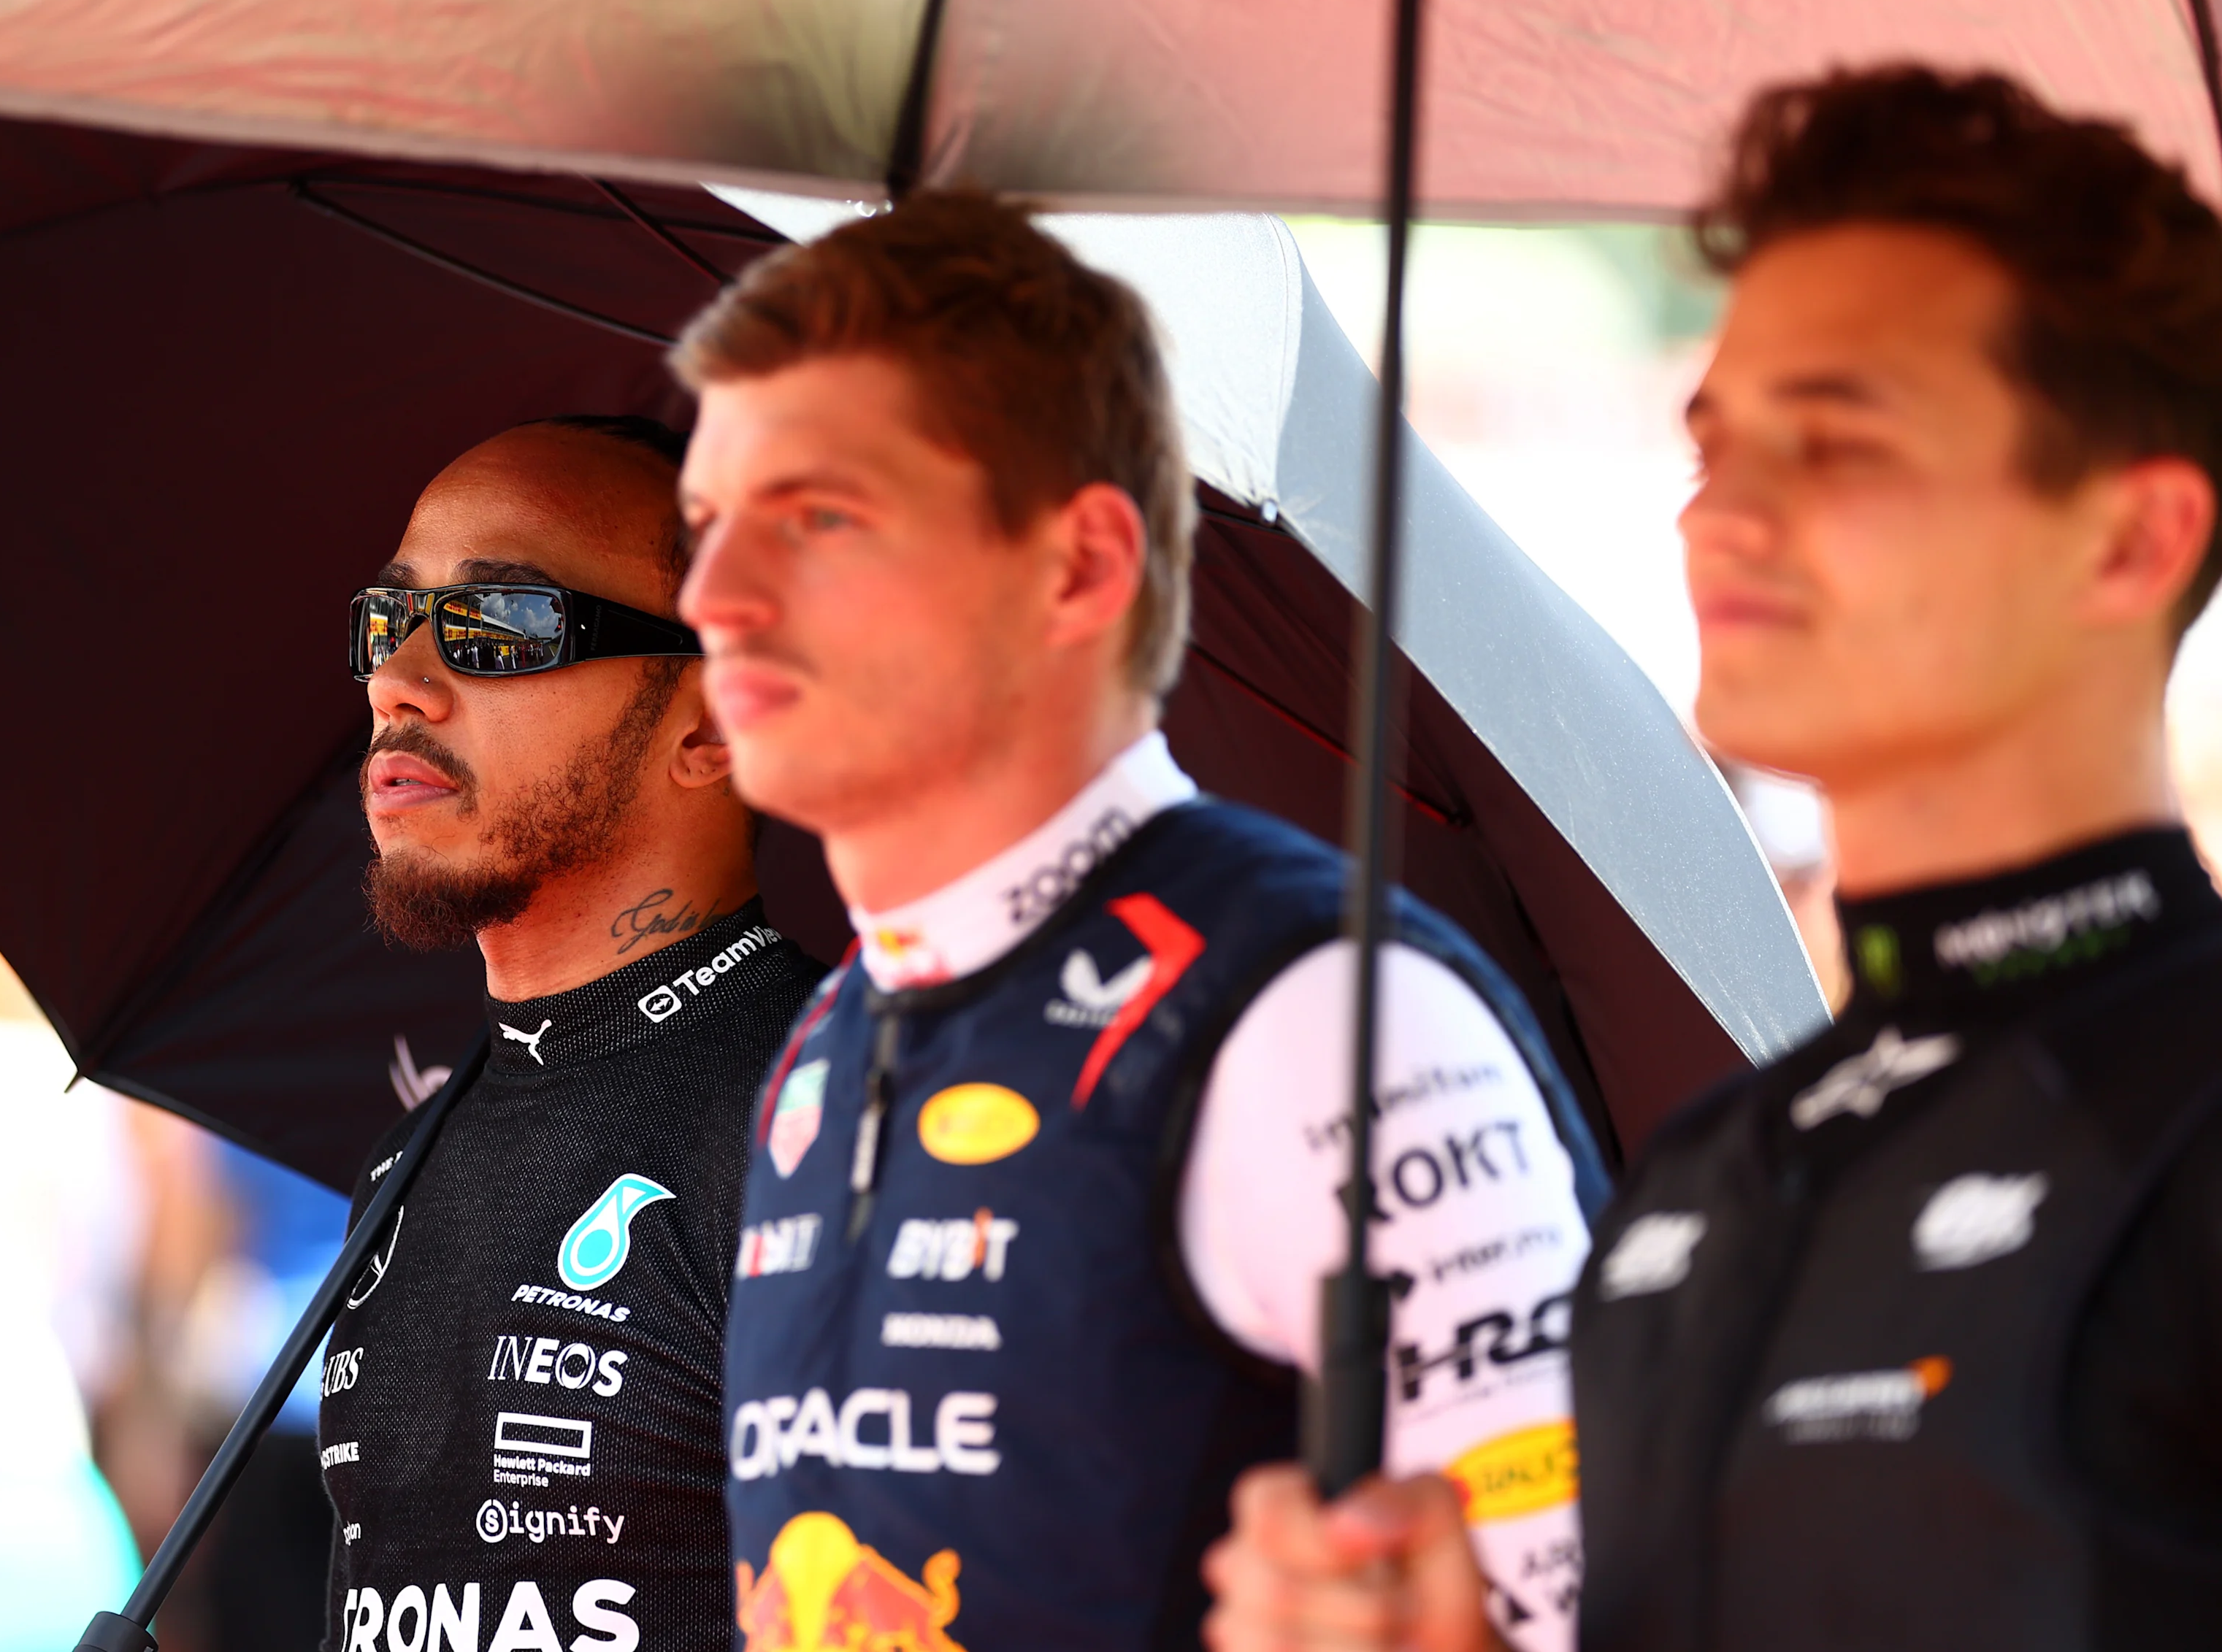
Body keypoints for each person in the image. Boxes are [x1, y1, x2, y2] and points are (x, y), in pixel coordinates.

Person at [1203, 64, 2222, 1651]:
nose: (1721, 517)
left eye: (1835, 445)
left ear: (2130, 538)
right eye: (1714, 441)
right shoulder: (1705, 1169)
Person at [672, 193, 1605, 1652]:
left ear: (1079, 568)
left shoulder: (1320, 1014)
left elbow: (1573, 1610)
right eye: (706, 523)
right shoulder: (822, 1035)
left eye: (819, 518)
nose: (712, 597)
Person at [317, 417, 826, 1652]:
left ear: (712, 722)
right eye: (389, 620)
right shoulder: (409, 1155)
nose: (401, 677)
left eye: (499, 626)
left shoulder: (836, 1118)